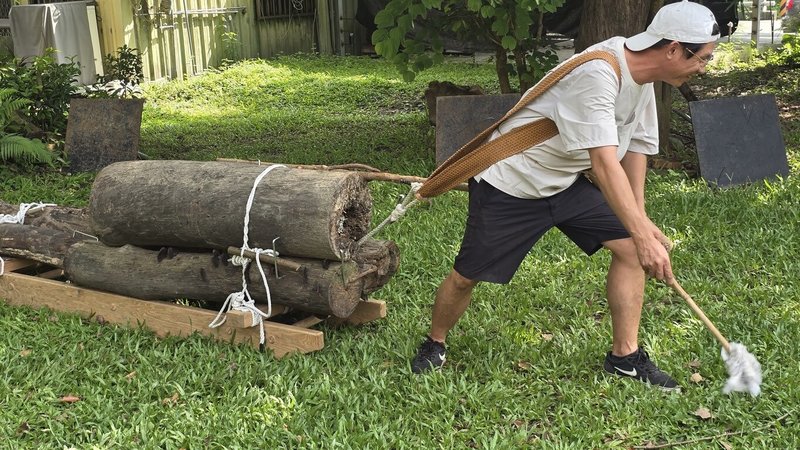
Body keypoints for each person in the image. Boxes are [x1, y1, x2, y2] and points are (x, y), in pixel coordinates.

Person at [411, 0, 720, 392]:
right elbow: (606, 165)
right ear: (674, 48)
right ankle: (435, 341)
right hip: (513, 183)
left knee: (629, 250)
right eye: (703, 58)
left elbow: (637, 147)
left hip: (566, 182)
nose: (703, 67)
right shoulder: (598, 74)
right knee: (466, 276)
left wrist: (639, 221)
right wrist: (642, 234)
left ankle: (624, 357)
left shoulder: (642, 76)